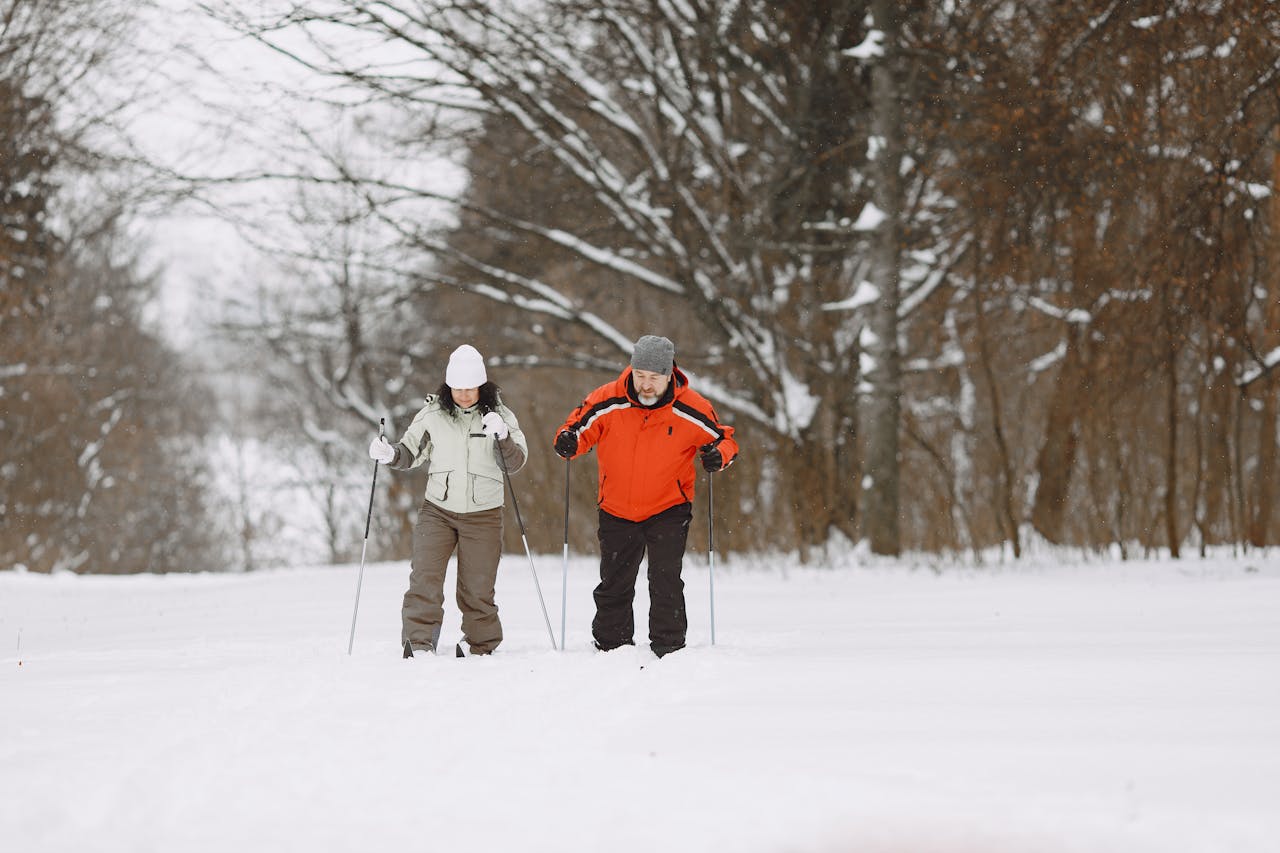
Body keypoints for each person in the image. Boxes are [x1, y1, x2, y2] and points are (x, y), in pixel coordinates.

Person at [553, 335, 738, 658]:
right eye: (640, 375)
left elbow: (725, 441)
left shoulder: (691, 407)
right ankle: (611, 645)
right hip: (616, 506)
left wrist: (717, 456)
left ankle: (669, 646)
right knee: (615, 581)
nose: (646, 385)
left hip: (669, 507)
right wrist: (568, 441)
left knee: (665, 579)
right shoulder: (607, 399)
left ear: (669, 375)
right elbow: (576, 430)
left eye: (654, 377)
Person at [368, 344, 528, 658]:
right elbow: (410, 451)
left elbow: (515, 463)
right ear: (448, 386)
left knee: (477, 586)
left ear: (481, 386)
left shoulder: (500, 416)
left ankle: (480, 643)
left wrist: (503, 436)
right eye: (458, 388)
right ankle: (419, 641)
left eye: (470, 388)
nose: (464, 395)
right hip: (438, 511)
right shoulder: (433, 415)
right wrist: (389, 454)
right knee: (424, 577)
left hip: (484, 514)